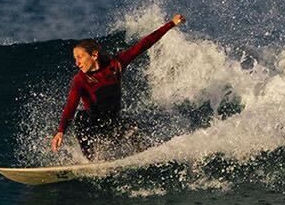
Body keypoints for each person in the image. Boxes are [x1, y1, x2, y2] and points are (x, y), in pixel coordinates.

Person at [52, 14, 185, 158]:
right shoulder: (80, 80)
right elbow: (70, 106)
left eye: (80, 57)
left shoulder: (116, 65)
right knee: (81, 117)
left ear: (94, 55)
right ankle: (90, 162)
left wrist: (171, 24)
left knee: (133, 128)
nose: (77, 63)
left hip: (112, 123)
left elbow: (144, 44)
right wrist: (61, 131)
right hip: (92, 127)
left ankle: (145, 157)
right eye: (75, 58)